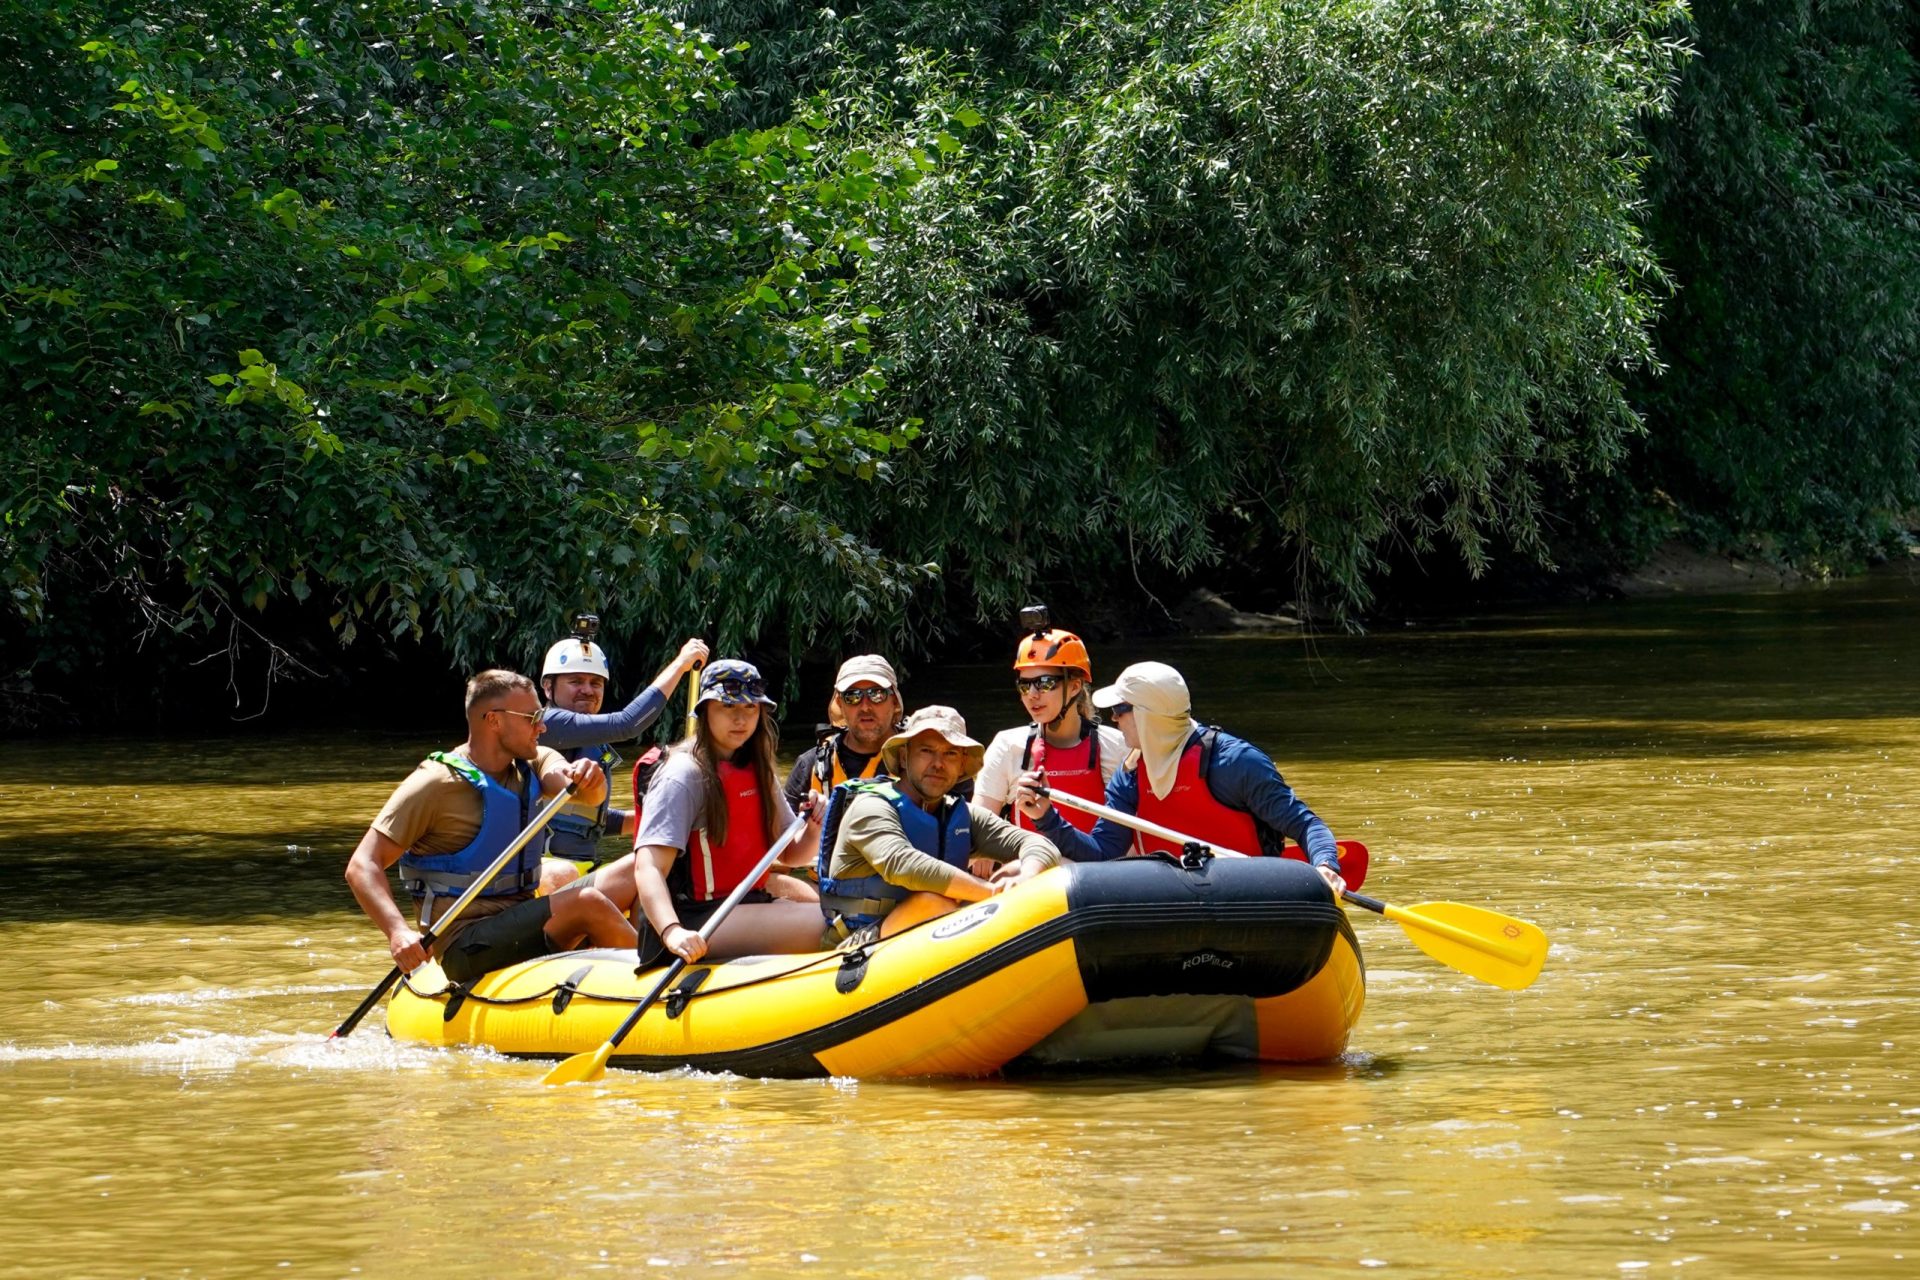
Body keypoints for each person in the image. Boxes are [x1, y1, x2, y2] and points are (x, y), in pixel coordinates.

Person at [344, 670, 643, 984]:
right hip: (466, 942)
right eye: (533, 717)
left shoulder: (536, 761)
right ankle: (652, 978)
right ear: (494, 720)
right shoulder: (435, 783)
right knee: (587, 903)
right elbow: (362, 865)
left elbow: (586, 794)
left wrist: (589, 779)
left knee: (642, 866)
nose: (542, 726)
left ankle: (643, 962)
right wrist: (397, 932)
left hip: (521, 914)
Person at [1012, 661, 1347, 894]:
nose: (1113, 719)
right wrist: (1046, 818)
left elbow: (1307, 825)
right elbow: (1102, 853)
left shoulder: (1235, 762)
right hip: (1175, 901)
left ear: (1148, 716)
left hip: (1249, 895)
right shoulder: (1131, 774)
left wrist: (1325, 866)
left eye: (1120, 710)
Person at [630, 659, 825, 964]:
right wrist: (672, 931)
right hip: (696, 921)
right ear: (705, 710)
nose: (741, 718)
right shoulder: (682, 775)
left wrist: (813, 827)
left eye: (750, 707)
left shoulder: (756, 769)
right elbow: (649, 867)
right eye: (728, 707)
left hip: (747, 904)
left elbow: (791, 856)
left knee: (842, 912)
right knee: (829, 926)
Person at [817, 706, 1059, 942]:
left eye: (950, 754)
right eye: (926, 751)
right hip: (859, 943)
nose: (938, 764)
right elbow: (903, 865)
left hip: (933, 936)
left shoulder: (961, 814)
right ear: (904, 757)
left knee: (1017, 869)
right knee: (932, 903)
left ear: (962, 764)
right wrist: (993, 894)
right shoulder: (870, 807)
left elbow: (1040, 844)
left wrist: (1026, 878)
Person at [535, 629, 709, 894]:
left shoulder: (592, 741)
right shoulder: (546, 725)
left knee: (655, 870)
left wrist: (667, 816)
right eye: (576, 681)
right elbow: (628, 724)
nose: (587, 690)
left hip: (584, 867)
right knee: (648, 870)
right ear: (548, 687)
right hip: (548, 870)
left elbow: (592, 820)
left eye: (596, 683)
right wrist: (680, 665)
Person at [974, 624, 1128, 834]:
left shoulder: (1117, 746)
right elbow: (979, 828)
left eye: (1045, 683)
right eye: (1024, 685)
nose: (1032, 694)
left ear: (1074, 686)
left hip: (1096, 856)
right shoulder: (1007, 746)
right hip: (1028, 856)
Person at [781, 653, 903, 809]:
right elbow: (785, 824)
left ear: (894, 701)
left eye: (877, 694)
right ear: (840, 704)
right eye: (852, 696)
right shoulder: (810, 765)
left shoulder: (918, 759)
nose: (865, 707)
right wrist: (808, 823)